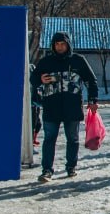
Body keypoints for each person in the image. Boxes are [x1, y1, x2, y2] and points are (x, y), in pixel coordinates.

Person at [31, 32, 99, 181]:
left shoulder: (78, 60)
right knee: (49, 139)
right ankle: (47, 170)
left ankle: (71, 167)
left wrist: (93, 99)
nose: (60, 47)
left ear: (68, 44)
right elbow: (33, 79)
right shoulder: (46, 62)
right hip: (51, 106)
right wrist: (41, 79)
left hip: (72, 106)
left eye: (62, 44)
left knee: (72, 139)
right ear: (53, 46)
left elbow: (91, 80)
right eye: (57, 44)